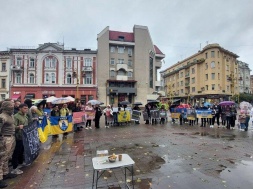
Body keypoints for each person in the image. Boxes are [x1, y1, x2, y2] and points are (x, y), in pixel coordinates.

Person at [0, 101, 17, 188]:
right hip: (4, 139)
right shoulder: (2, 117)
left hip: (11, 138)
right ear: (6, 107)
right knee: (1, 158)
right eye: (10, 105)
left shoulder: (11, 115)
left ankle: (5, 173)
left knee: (7, 157)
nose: (12, 106)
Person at [11, 103, 29, 175]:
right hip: (18, 137)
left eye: (27, 108)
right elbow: (13, 127)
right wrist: (18, 127)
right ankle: (14, 167)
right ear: (20, 108)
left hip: (23, 137)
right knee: (16, 152)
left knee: (22, 151)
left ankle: (21, 163)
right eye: (24, 108)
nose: (26, 110)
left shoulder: (25, 116)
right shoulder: (16, 117)